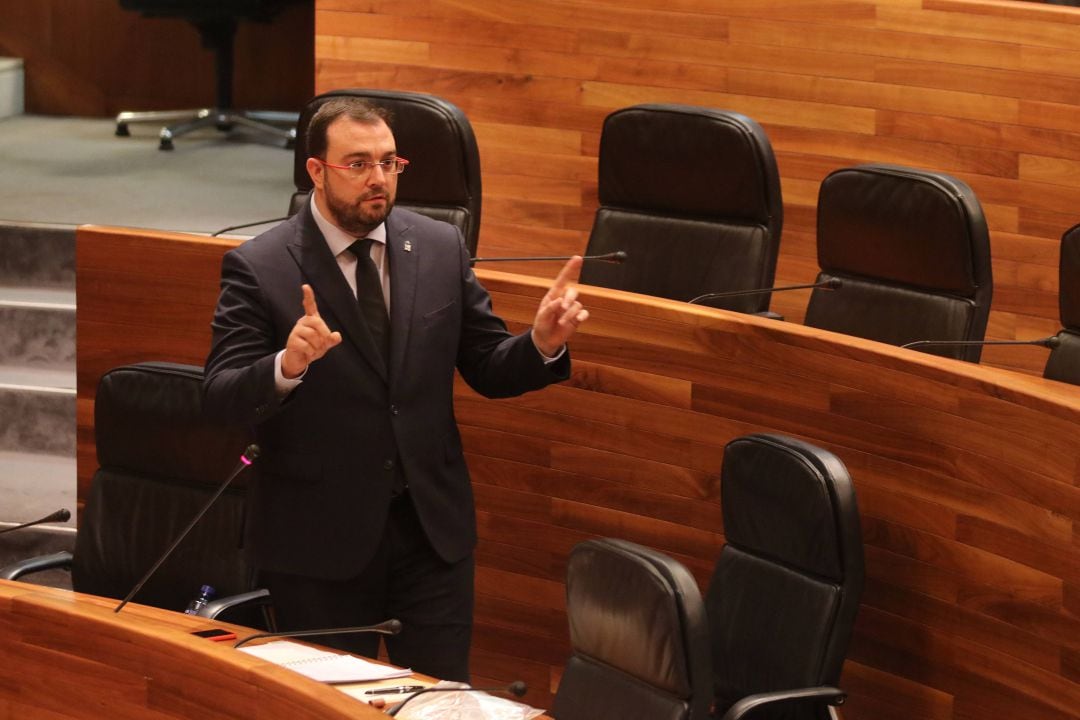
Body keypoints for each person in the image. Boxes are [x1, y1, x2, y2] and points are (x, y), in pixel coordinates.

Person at [202, 96, 587, 683]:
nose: (378, 178)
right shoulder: (260, 267)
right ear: (316, 171)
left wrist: (539, 344)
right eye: (357, 164)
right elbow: (221, 396)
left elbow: (485, 364)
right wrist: (287, 363)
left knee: (439, 700)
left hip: (430, 535)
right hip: (319, 546)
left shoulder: (437, 247)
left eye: (389, 162)